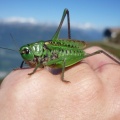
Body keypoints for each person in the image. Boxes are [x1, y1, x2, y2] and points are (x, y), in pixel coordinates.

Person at [0, 46, 120, 120]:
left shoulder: (42, 50)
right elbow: (36, 62)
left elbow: (48, 62)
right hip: (57, 54)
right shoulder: (37, 54)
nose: (24, 56)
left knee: (98, 51)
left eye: (26, 52)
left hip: (65, 56)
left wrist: (62, 78)